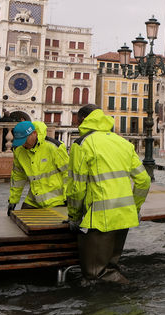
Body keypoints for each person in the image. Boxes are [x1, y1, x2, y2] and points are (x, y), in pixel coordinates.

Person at [65, 104, 151, 284]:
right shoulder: (123, 143)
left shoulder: (81, 144)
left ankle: (124, 297)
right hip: (124, 217)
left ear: (82, 121)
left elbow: (76, 188)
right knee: (110, 267)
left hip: (98, 219)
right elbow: (144, 180)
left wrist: (74, 216)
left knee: (95, 274)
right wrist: (134, 208)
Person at [7, 121, 69, 215]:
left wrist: (68, 198)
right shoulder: (18, 150)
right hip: (33, 200)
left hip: (57, 200)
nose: (23, 144)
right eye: (20, 141)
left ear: (34, 134)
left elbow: (68, 173)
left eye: (24, 140)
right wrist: (13, 200)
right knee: (20, 223)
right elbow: (18, 177)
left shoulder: (54, 147)